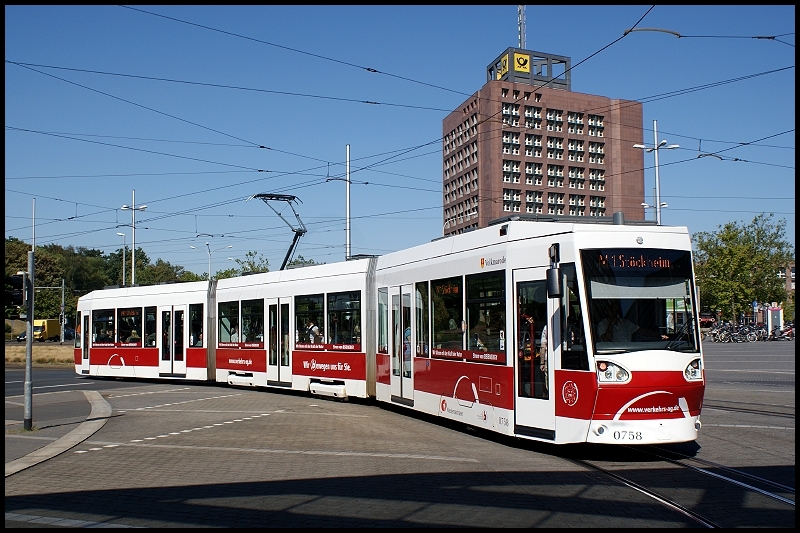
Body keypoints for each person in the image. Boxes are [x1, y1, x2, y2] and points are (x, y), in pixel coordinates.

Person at [597, 304, 668, 342]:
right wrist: (611, 323)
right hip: (611, 353)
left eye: (617, 310)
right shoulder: (602, 324)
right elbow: (606, 339)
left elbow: (642, 331)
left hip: (628, 350)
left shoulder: (625, 323)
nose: (615, 313)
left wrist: (659, 335)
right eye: (613, 310)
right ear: (607, 311)